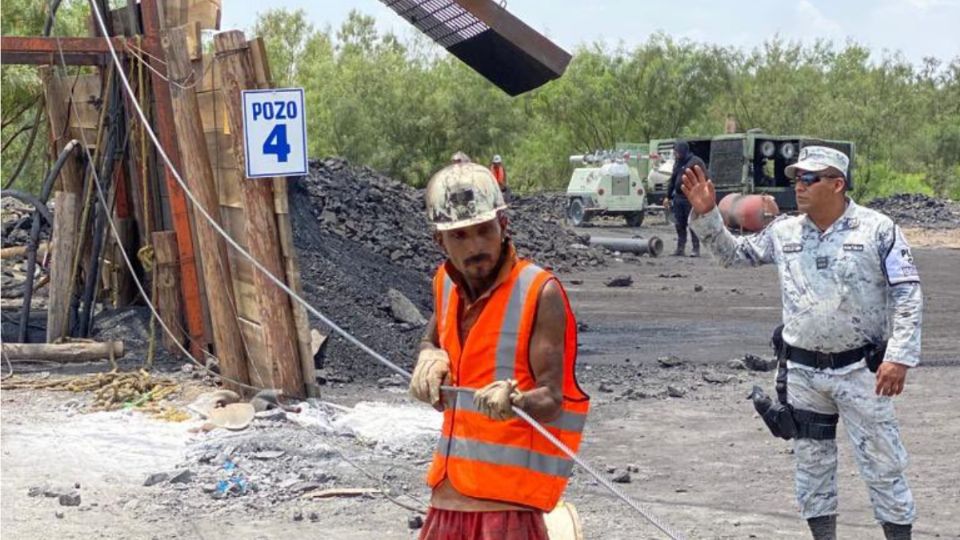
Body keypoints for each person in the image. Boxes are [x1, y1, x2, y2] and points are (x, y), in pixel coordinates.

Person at [682, 146, 921, 540]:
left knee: (883, 465)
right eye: (796, 178)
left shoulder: (878, 230)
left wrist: (900, 356)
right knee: (812, 469)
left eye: (809, 179)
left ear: (838, 184)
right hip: (804, 375)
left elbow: (908, 293)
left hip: (863, 373)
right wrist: (707, 215)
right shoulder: (785, 232)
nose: (799, 186)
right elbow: (733, 256)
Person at [409, 162, 590, 540]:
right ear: (439, 241)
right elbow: (433, 338)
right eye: (460, 236)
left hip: (506, 506)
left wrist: (517, 399)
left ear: (503, 225)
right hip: (448, 494)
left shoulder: (539, 291)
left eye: (483, 231)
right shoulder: (445, 284)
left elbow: (553, 398)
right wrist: (428, 355)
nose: (475, 246)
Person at [664, 140, 704, 256]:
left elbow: (704, 179)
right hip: (678, 198)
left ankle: (695, 249)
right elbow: (672, 180)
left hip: (691, 198)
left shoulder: (696, 162)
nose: (675, 154)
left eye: (676, 151)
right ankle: (680, 249)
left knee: (693, 224)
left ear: (682, 150)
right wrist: (667, 196)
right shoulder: (678, 162)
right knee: (679, 224)